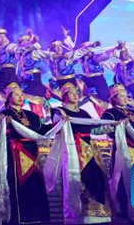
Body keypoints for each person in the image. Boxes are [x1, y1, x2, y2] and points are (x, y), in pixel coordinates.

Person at [53, 82, 112, 223]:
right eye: (71, 92)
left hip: (90, 149)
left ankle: (98, 214)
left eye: (76, 92)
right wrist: (62, 122)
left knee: (96, 178)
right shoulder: (59, 112)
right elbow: (56, 129)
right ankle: (78, 215)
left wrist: (113, 127)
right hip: (74, 149)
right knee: (78, 180)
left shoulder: (84, 113)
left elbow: (94, 130)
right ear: (64, 96)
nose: (75, 94)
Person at [0, 81, 52, 224]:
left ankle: (39, 217)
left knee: (36, 182)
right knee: (19, 183)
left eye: (21, 94)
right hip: (16, 151)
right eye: (16, 95)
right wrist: (5, 123)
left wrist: (58, 124)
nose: (20, 97)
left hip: (33, 151)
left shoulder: (32, 115)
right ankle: (20, 218)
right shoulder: (5, 114)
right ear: (9, 97)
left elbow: (41, 130)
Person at [102, 84, 134, 220]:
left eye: (126, 96)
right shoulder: (110, 113)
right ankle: (126, 210)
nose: (125, 98)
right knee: (126, 178)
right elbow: (107, 131)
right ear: (114, 98)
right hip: (125, 148)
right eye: (121, 96)